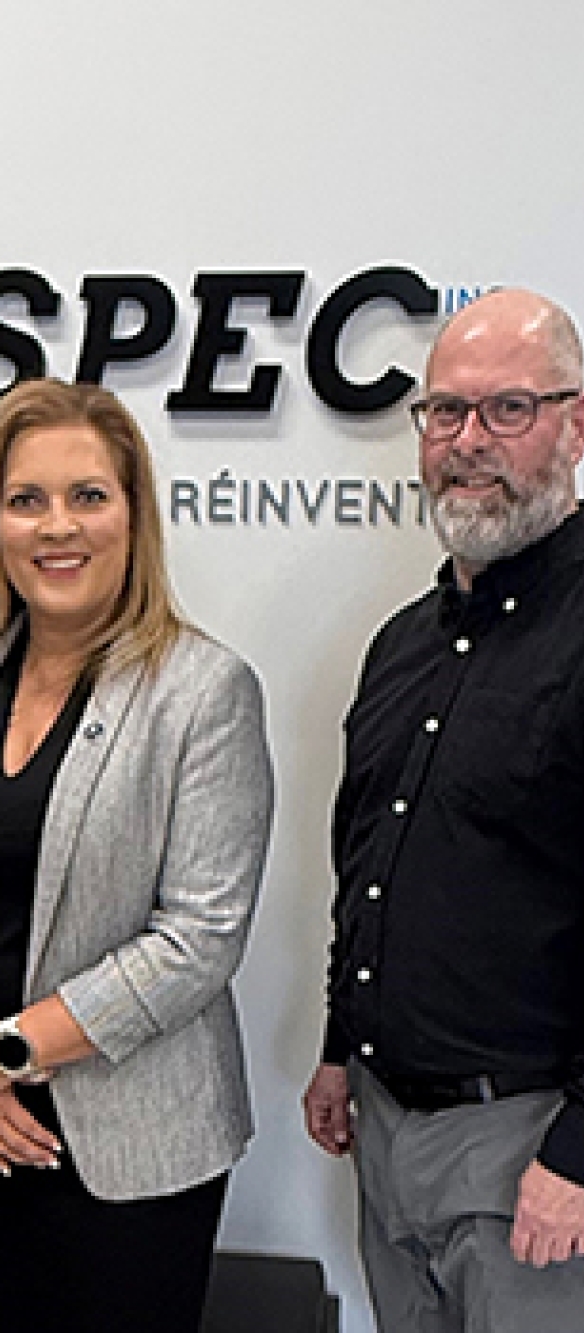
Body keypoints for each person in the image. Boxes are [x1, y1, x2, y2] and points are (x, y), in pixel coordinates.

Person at [0, 377, 273, 1333]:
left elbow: (199, 938)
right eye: (27, 499)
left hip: (135, 1155)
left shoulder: (204, 691)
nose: (60, 527)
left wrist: (3, 1050)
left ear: (133, 515)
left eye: (89, 495)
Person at [303, 287, 584, 1331]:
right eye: (444, 413)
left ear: (576, 422)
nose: (469, 443)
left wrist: (577, 1155)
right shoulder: (399, 645)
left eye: (508, 409)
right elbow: (366, 863)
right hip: (385, 1125)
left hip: (531, 1147)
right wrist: (340, 1044)